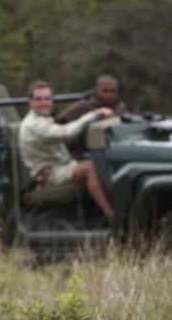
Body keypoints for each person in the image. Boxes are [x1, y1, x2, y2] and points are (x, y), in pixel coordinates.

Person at [19, 80, 114, 220]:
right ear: (30, 102)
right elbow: (67, 132)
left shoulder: (41, 118)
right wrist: (93, 114)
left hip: (60, 166)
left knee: (99, 161)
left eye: (47, 99)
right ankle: (111, 215)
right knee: (91, 167)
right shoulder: (33, 125)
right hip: (49, 174)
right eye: (38, 99)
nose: (44, 103)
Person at [55, 74, 128, 124]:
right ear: (96, 90)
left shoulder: (120, 107)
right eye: (105, 91)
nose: (109, 95)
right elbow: (59, 119)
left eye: (112, 92)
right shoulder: (84, 106)